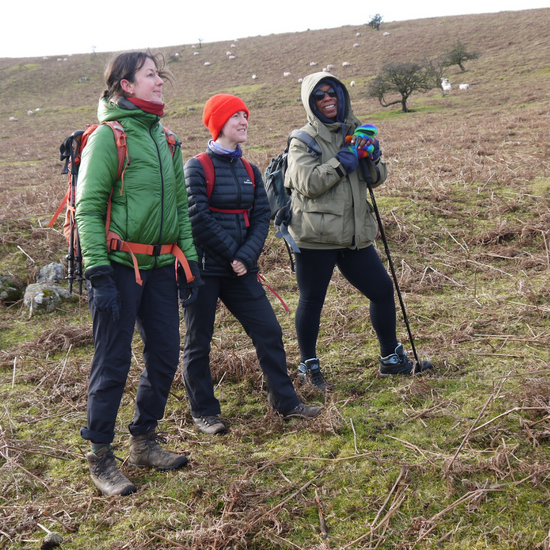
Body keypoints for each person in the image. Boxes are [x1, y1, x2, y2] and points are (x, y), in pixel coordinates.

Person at [75, 51, 202, 496]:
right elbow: (87, 208)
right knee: (113, 362)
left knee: (166, 355)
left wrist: (190, 261)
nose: (160, 81)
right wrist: (97, 273)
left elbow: (182, 209)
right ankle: (100, 457)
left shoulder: (167, 139)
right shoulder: (109, 137)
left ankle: (144, 440)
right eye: (151, 75)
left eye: (159, 74)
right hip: (117, 267)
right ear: (126, 85)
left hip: (163, 266)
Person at [182, 94, 322, 435]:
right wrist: (234, 254)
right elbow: (197, 216)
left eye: (245, 116)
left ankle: (285, 402)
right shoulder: (196, 166)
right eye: (235, 118)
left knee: (269, 331)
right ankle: (204, 412)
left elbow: (262, 215)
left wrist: (246, 256)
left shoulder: (249, 170)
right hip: (203, 269)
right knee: (199, 341)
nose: (244, 122)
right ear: (218, 124)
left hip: (240, 268)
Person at [284, 72, 433, 390]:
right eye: (320, 96)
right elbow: (307, 183)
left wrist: (374, 158)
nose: (327, 99)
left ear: (341, 96)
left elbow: (375, 179)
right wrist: (342, 162)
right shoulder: (303, 140)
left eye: (332, 93)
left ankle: (391, 360)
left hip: (354, 234)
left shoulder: (354, 131)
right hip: (316, 236)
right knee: (312, 301)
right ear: (310, 102)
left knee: (381, 290)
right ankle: (308, 368)